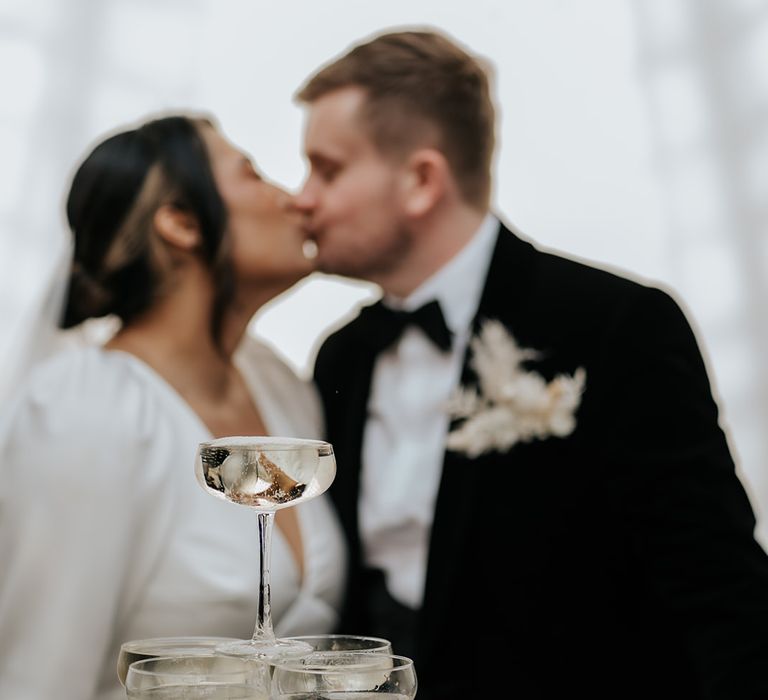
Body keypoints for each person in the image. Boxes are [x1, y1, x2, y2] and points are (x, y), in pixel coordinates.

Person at [292, 28, 768, 700]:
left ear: (421, 180)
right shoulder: (342, 354)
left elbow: (720, 590)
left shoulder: (616, 327)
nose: (302, 198)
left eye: (327, 169)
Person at [0, 113, 346, 700]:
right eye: (254, 175)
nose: (295, 201)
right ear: (181, 222)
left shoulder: (281, 388)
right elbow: (39, 673)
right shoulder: (86, 409)